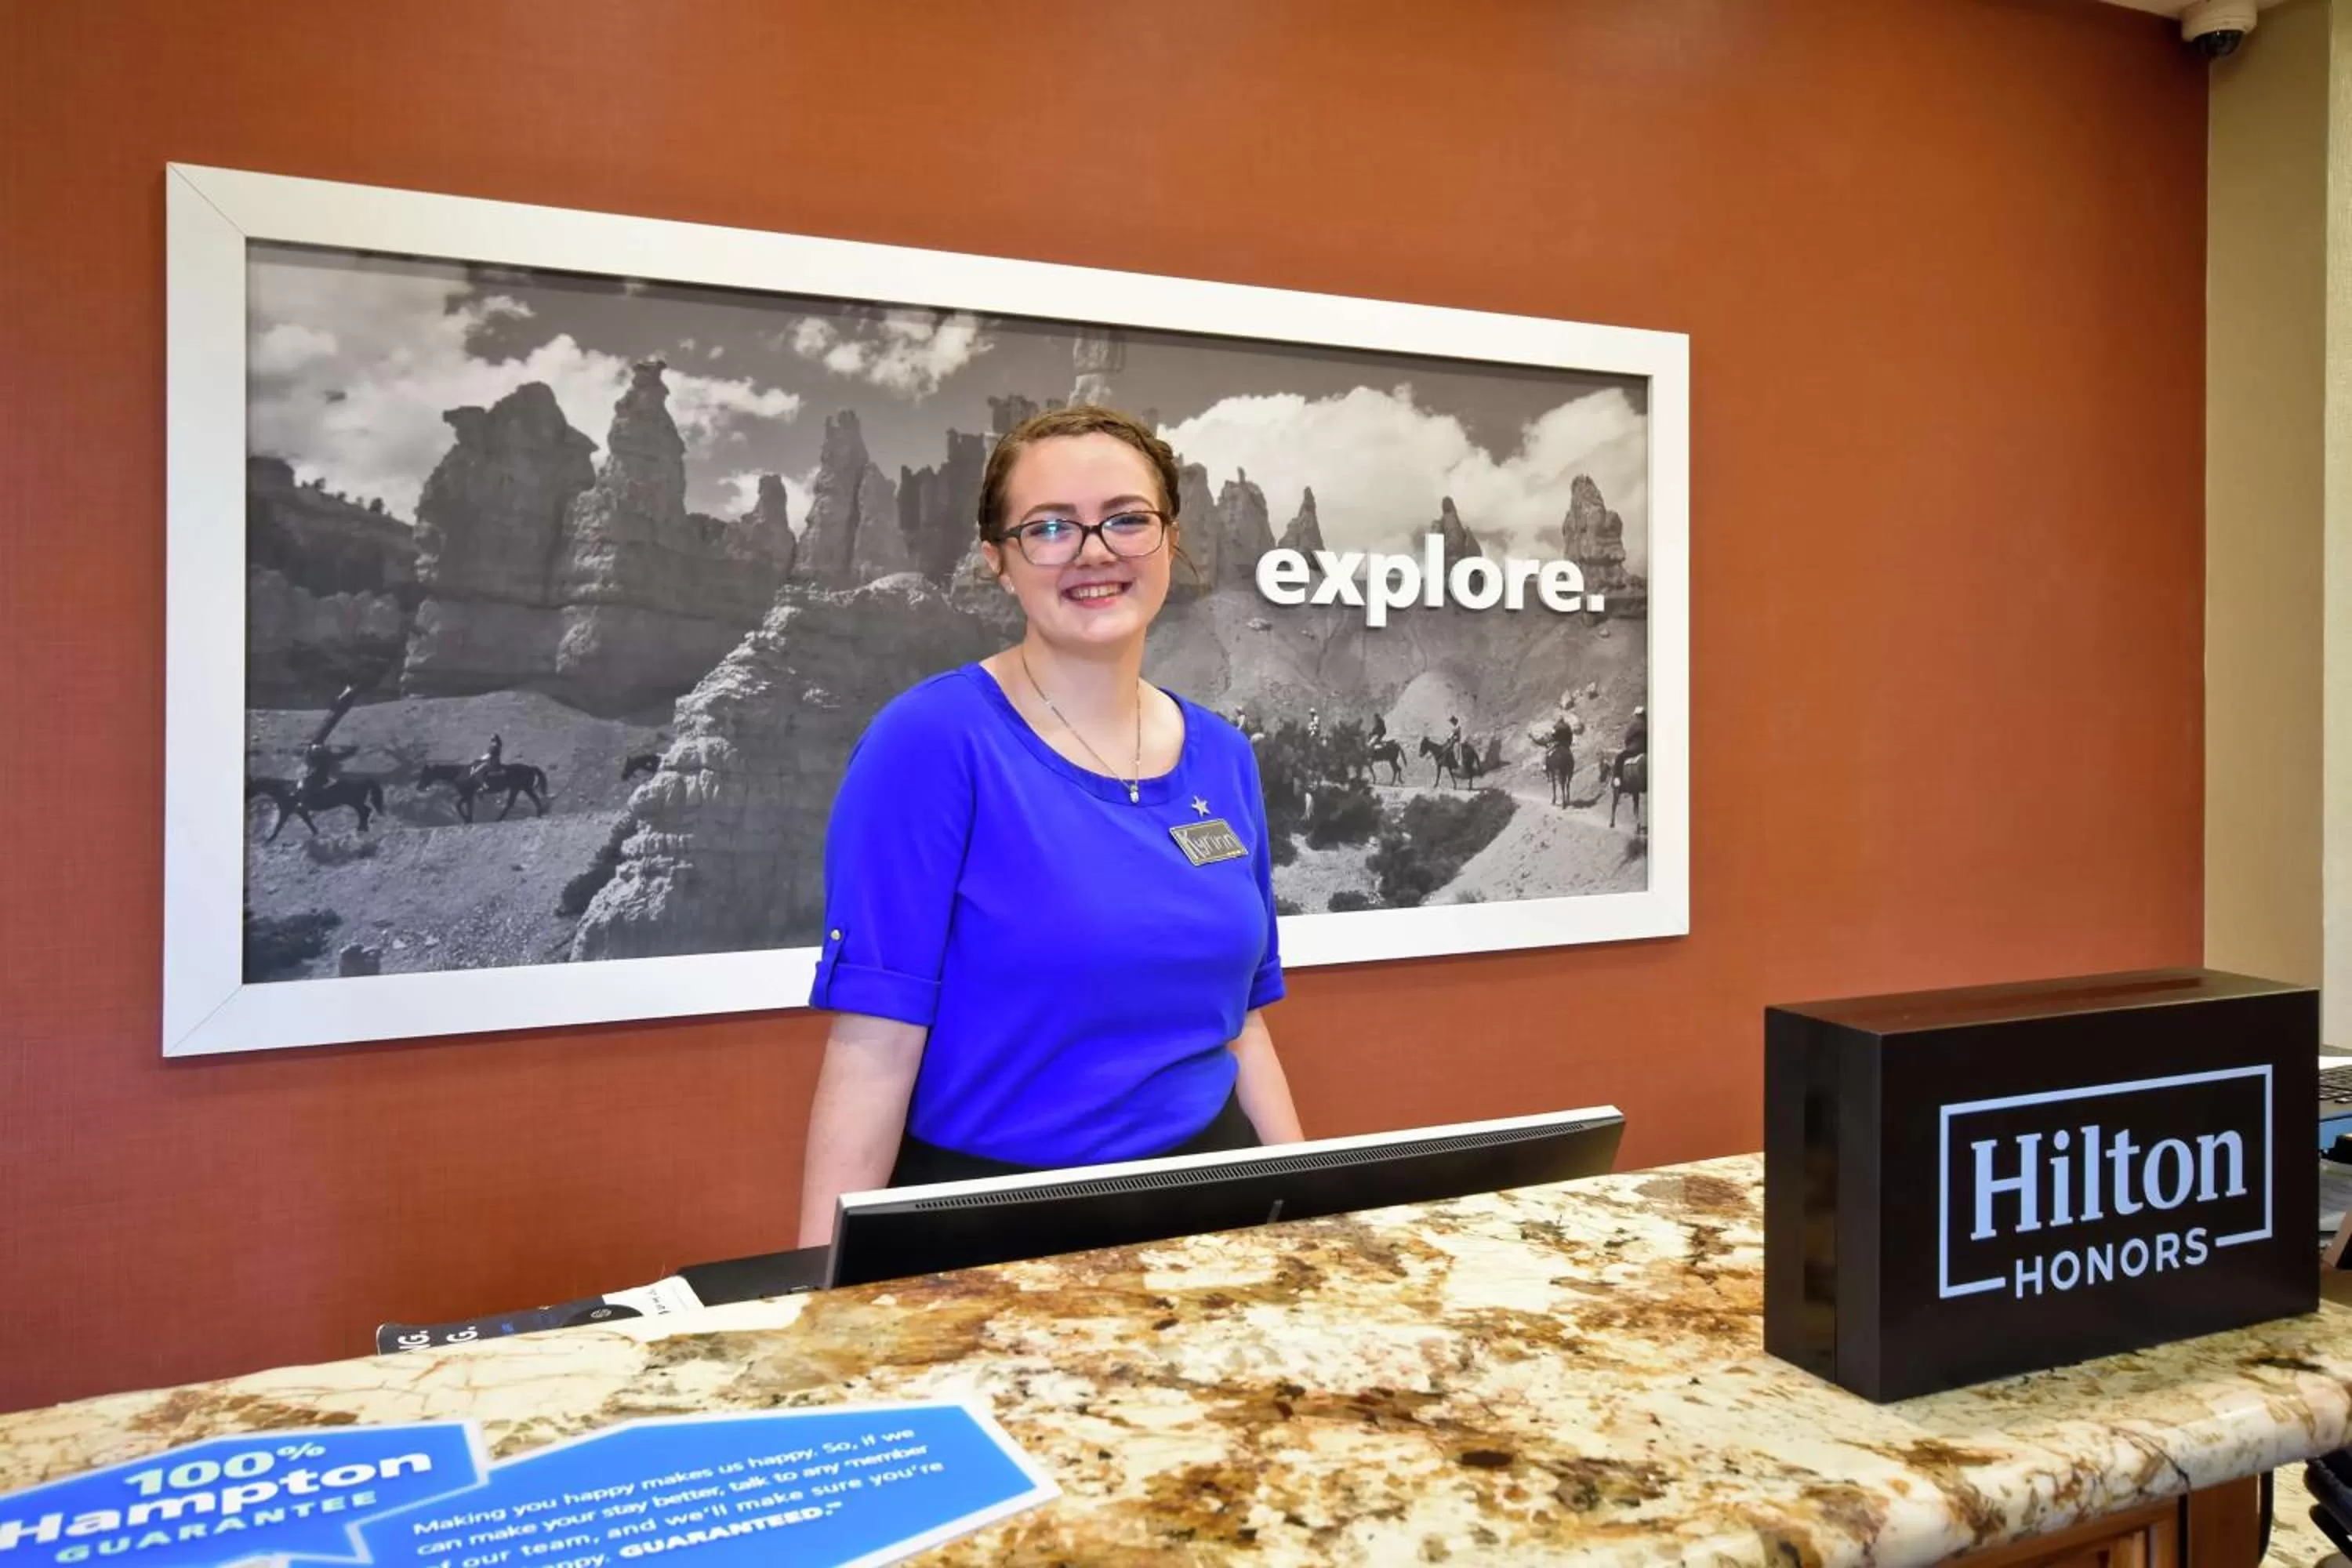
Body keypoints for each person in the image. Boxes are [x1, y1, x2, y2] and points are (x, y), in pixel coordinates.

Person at [798, 405, 1303, 1247]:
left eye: (1127, 519)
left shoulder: (1224, 754)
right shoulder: (931, 741)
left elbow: (1243, 1023)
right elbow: (874, 1047)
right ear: (997, 561)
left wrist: (1310, 1218)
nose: (1094, 551)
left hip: (1215, 1208)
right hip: (994, 1229)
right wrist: (818, 1291)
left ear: (1171, 540)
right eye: (1050, 527)